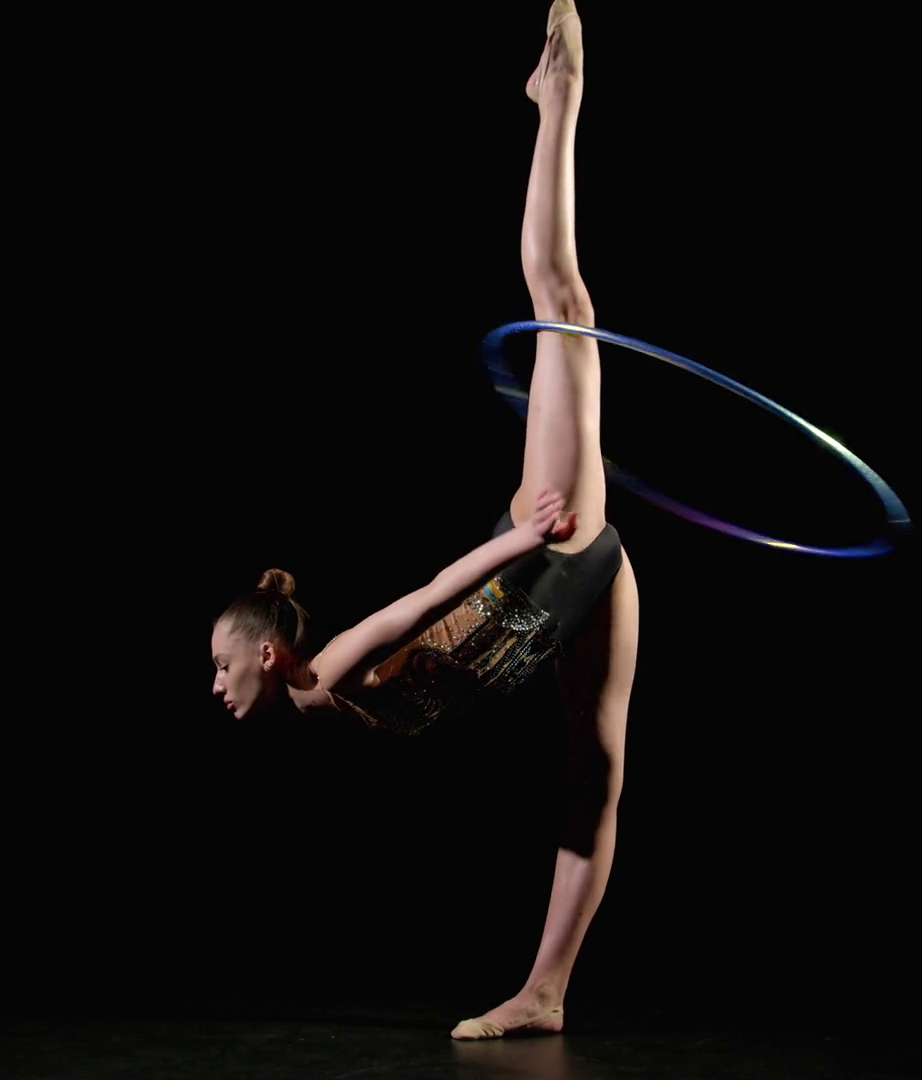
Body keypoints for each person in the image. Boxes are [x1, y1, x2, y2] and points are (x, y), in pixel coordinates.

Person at [208, 1, 639, 1040]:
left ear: (269, 655)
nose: (213, 684)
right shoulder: (312, 721)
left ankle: (559, 99)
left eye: (221, 665)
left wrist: (520, 539)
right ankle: (546, 992)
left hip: (541, 557)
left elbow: (422, 599)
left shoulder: (322, 678)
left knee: (562, 306)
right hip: (551, 611)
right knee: (594, 775)